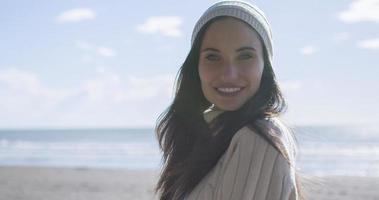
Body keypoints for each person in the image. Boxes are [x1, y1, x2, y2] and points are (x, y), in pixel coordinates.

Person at [155, 1, 303, 199]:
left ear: (264, 66)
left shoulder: (259, 138)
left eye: (245, 56)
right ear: (196, 67)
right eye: (213, 57)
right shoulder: (211, 132)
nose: (229, 74)